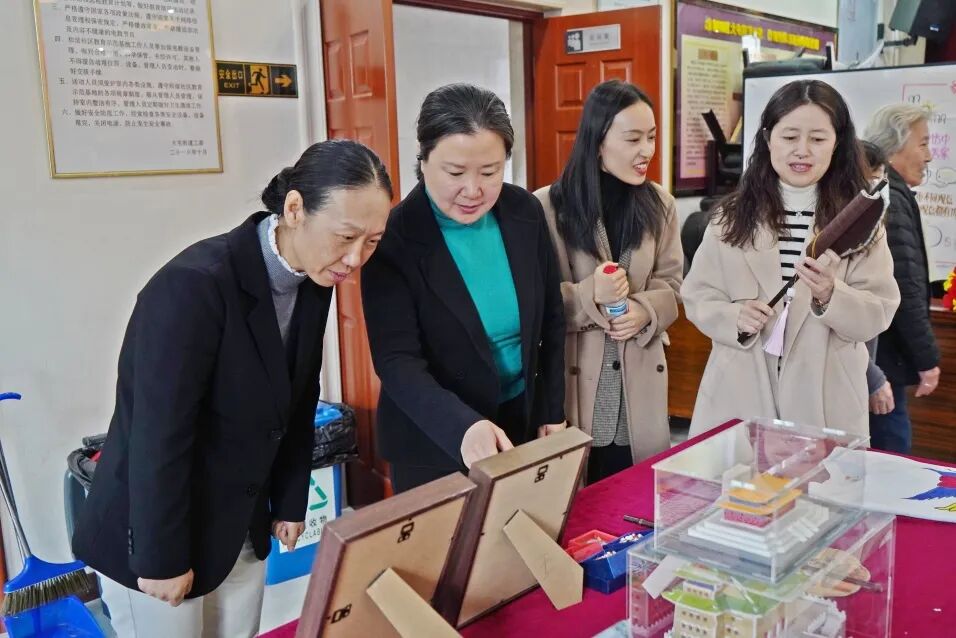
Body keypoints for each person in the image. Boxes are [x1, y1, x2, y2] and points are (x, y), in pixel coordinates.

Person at [72, 140, 393, 637]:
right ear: (294, 209)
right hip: (161, 530)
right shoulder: (194, 286)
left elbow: (298, 396)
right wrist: (161, 557)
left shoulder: (314, 279)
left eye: (372, 242)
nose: (355, 259)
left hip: (239, 519)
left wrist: (291, 500)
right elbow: (158, 432)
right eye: (346, 236)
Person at [361, 83, 566, 493]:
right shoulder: (394, 237)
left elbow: (551, 317)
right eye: (455, 173)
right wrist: (463, 427)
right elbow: (397, 361)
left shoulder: (524, 211)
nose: (473, 190)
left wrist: (551, 408)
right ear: (423, 159)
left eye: (490, 172)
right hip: (433, 435)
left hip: (518, 418)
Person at [681, 79, 900, 438]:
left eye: (818, 139)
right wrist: (734, 316)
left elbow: (879, 312)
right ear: (768, 139)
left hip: (826, 399)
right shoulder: (730, 218)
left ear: (837, 143)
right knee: (739, 474)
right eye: (789, 137)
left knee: (820, 475)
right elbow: (697, 295)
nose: (802, 151)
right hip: (739, 392)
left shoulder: (860, 222)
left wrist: (831, 295)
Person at [533, 80, 682, 484]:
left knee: (637, 498)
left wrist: (645, 310)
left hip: (639, 387)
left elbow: (672, 285)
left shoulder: (661, 205)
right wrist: (590, 295)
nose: (646, 150)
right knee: (575, 500)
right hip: (576, 389)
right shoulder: (548, 206)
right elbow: (536, 304)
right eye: (633, 139)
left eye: (651, 137)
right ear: (597, 142)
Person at [863, 104, 941, 453]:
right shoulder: (889, 199)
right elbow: (903, 287)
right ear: (894, 147)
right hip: (882, 364)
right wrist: (927, 359)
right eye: (922, 144)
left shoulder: (888, 193)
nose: (929, 156)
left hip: (882, 360)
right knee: (890, 458)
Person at [860, 140, 895, 418]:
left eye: (881, 179)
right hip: (850, 372)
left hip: (863, 368)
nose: (878, 187)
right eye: (871, 179)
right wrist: (873, 377)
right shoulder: (844, 233)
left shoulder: (874, 227)